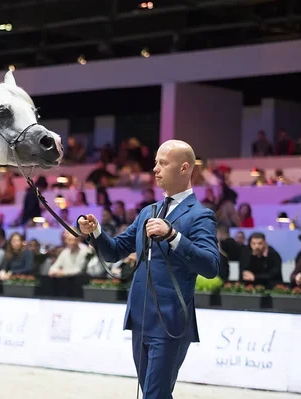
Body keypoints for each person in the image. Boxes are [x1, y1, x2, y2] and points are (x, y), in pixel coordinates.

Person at [78, 139, 220, 398]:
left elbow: (211, 266)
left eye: (162, 163)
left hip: (171, 321)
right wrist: (96, 232)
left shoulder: (200, 215)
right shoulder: (148, 212)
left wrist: (173, 235)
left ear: (184, 168)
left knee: (154, 395)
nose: (155, 169)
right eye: (155, 163)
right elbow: (114, 251)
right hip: (141, 317)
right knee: (154, 394)